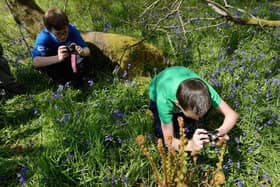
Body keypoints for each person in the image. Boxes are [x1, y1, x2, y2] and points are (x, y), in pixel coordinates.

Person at [148, 66, 238, 152]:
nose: (198, 119)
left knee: (191, 126)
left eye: (201, 115)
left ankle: (190, 121)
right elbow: (169, 142)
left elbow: (232, 114)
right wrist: (191, 146)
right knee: (160, 133)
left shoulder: (205, 91)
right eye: (196, 116)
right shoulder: (164, 102)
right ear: (178, 104)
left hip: (180, 73)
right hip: (157, 91)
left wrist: (221, 131)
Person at [32, 8, 91, 86]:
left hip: (71, 61)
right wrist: (58, 58)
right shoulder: (44, 37)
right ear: (49, 30)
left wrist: (82, 52)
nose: (63, 36)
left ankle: (81, 77)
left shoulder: (72, 29)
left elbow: (87, 50)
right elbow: (36, 62)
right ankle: (61, 81)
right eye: (58, 34)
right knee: (49, 54)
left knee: (82, 58)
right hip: (54, 62)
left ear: (67, 25)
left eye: (65, 32)